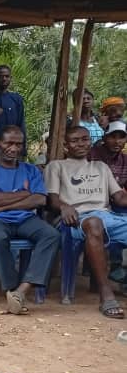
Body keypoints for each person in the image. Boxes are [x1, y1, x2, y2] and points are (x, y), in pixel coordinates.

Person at [0, 125, 59, 314]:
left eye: (18, 144)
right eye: (9, 143)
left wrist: (2, 207)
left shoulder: (31, 170)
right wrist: (25, 194)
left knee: (51, 234)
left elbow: (40, 199)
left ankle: (22, 290)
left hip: (24, 218)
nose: (14, 148)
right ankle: (10, 289)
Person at [45, 124, 127, 318]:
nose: (81, 144)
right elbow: (52, 199)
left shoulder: (101, 167)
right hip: (75, 219)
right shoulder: (57, 166)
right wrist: (64, 207)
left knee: (98, 221)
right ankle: (106, 294)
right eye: (75, 141)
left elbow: (119, 198)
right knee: (93, 223)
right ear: (66, 146)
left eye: (84, 139)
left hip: (108, 217)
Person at [89, 120, 127, 188]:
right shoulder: (90, 155)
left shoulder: (125, 160)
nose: (117, 141)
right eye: (112, 137)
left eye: (121, 137)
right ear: (104, 138)